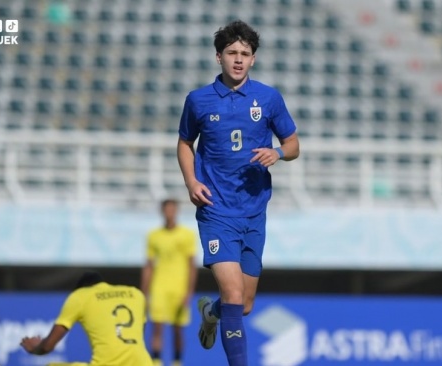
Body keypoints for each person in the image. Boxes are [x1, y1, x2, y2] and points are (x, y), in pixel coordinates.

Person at [176, 20, 300, 366]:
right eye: (232, 52)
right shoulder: (198, 100)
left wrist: (277, 152)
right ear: (219, 57)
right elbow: (185, 143)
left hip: (254, 210)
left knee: (242, 305)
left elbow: (293, 144)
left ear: (254, 59)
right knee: (232, 294)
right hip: (216, 209)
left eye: (245, 53)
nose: (238, 59)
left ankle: (210, 314)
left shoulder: (268, 98)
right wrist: (190, 181)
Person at [18, 271, 152, 366]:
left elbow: (47, 346)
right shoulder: (135, 294)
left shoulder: (81, 296)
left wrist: (34, 348)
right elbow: (139, 334)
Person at [141, 199, 198, 366]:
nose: (169, 213)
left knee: (177, 329)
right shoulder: (154, 236)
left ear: (176, 211)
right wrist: (144, 291)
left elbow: (191, 265)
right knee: (157, 327)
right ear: (162, 211)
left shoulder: (187, 234)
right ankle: (156, 361)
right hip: (159, 286)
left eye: (172, 210)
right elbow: (149, 265)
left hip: (179, 287)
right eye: (167, 210)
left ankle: (177, 361)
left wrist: (189, 291)